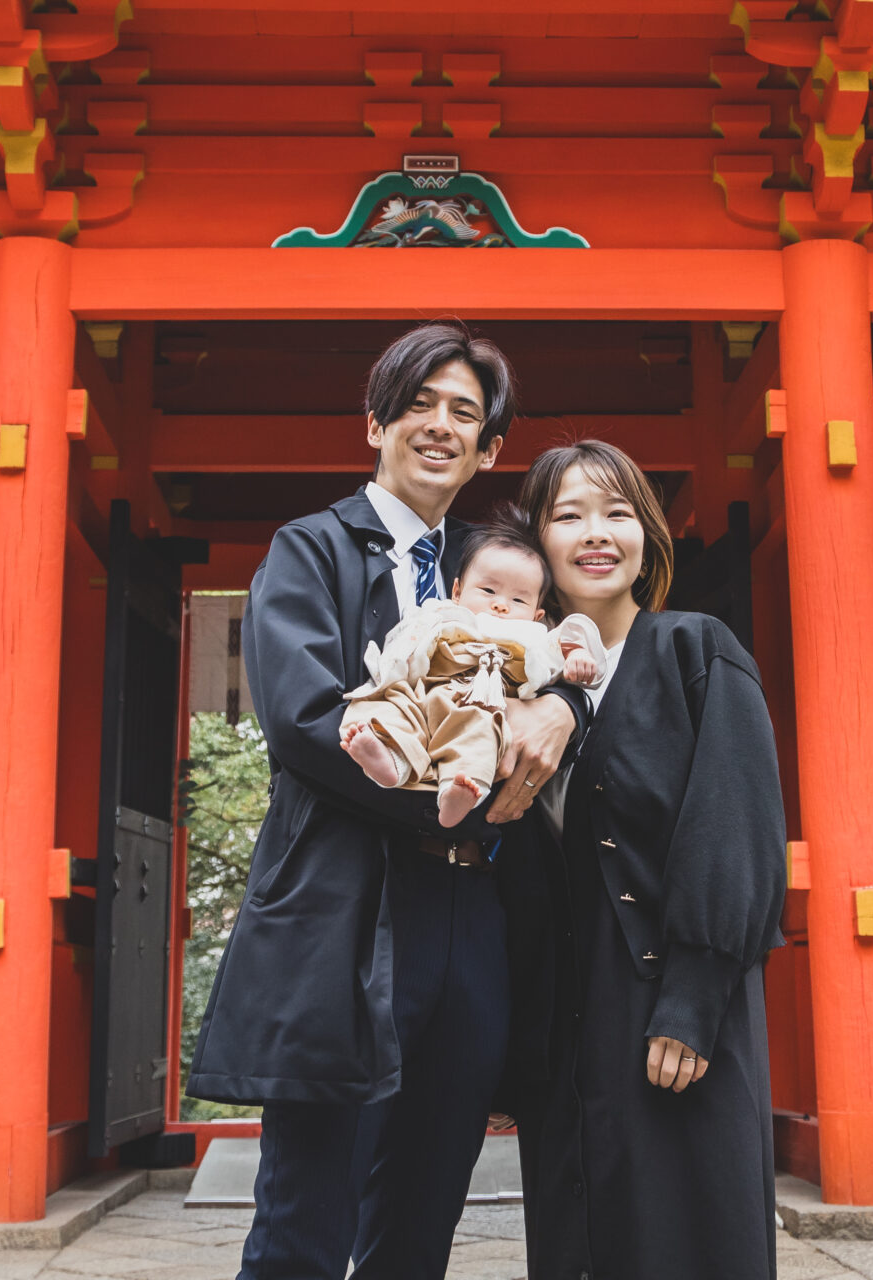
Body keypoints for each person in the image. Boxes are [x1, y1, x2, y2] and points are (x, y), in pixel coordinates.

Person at [185, 323, 589, 1280]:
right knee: (306, 1220)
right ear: (376, 423)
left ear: (489, 449)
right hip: (347, 905)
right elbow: (303, 722)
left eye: (465, 413)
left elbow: (574, 653)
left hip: (469, 913)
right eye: (419, 404)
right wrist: (463, 800)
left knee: (425, 1210)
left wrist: (566, 707)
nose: (440, 425)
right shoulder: (311, 549)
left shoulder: (496, 568)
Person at [497, 439, 789, 1280]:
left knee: (687, 1234)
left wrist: (693, 998)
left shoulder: (697, 650)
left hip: (673, 1001)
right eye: (569, 515)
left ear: (648, 537)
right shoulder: (517, 683)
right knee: (581, 1237)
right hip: (568, 1014)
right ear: (537, 543)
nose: (596, 533)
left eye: (617, 512)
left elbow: (736, 830)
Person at [341, 511, 606, 827]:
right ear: (456, 592)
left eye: (518, 600)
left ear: (537, 615)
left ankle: (459, 792)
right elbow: (404, 641)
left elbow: (569, 638)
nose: (501, 604)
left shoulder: (533, 637)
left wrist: (577, 656)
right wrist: (393, 670)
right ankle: (390, 759)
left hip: (480, 703)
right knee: (388, 702)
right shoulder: (442, 614)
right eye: (488, 591)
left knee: (480, 733)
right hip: (425, 693)